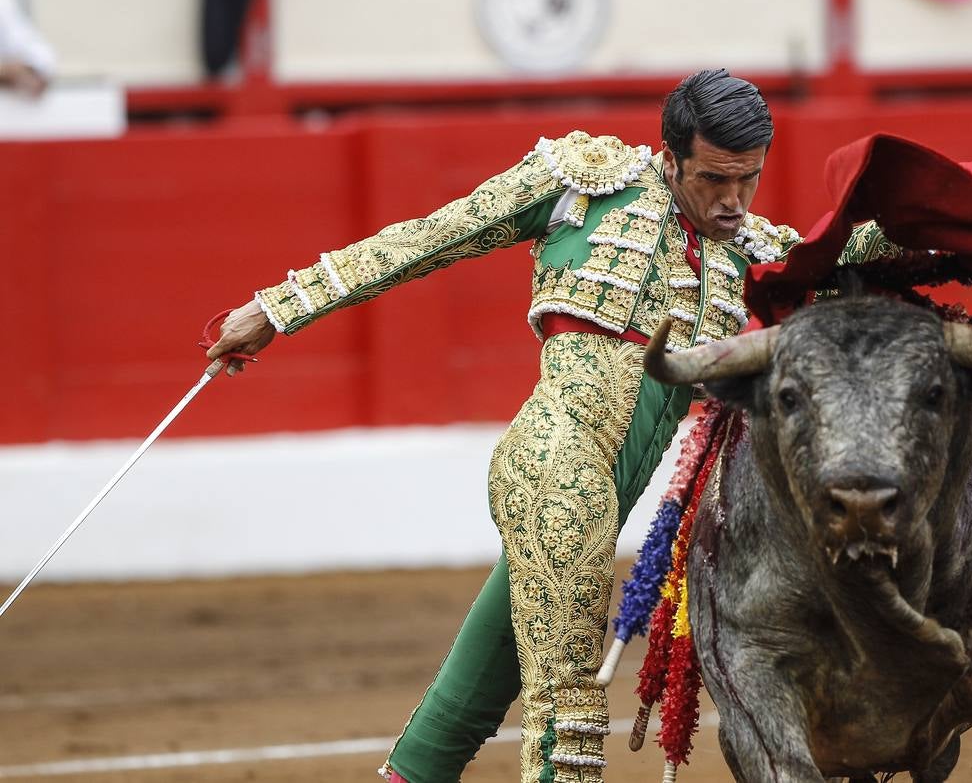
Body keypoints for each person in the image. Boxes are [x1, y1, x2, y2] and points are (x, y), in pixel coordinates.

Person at [208, 70, 893, 783]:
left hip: (606, 498)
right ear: (670, 158)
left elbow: (844, 255)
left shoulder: (746, 250)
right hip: (557, 465)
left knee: (473, 690)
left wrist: (950, 223)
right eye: (714, 180)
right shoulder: (585, 182)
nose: (733, 200)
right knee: (569, 720)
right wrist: (277, 309)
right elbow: (430, 238)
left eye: (748, 179)